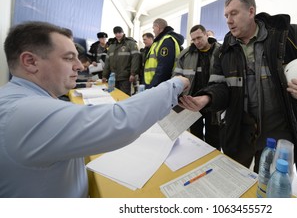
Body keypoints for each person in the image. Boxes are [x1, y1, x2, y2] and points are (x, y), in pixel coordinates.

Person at [179, 0, 297, 188]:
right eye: (226, 16)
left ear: (251, 11)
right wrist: (206, 98)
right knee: (233, 186)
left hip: (279, 135)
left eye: (234, 13)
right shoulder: (225, 50)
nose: (228, 21)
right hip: (239, 134)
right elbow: (220, 86)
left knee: (269, 190)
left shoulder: (290, 37)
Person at [0, 21, 189, 197]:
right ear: (31, 62)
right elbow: (122, 121)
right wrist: (177, 83)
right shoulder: (23, 113)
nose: (79, 66)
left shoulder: (18, 99)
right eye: (68, 58)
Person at [173, 24, 221, 149]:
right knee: (195, 138)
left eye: (199, 38)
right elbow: (176, 75)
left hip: (213, 103)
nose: (197, 42)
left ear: (206, 35)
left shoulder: (220, 52)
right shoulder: (185, 55)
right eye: (193, 40)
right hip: (192, 102)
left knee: (214, 139)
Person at [143, 18, 184, 89]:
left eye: (153, 28)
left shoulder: (167, 41)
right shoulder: (159, 41)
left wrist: (153, 87)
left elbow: (164, 68)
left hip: (158, 86)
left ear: (157, 27)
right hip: (154, 85)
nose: (153, 31)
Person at [102, 26, 141, 96]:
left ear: (123, 32)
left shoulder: (130, 43)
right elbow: (107, 62)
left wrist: (133, 73)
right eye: (116, 33)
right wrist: (104, 75)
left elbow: (135, 59)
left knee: (124, 96)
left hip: (125, 77)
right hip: (113, 78)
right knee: (114, 95)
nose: (118, 35)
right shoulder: (111, 46)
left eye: (119, 32)